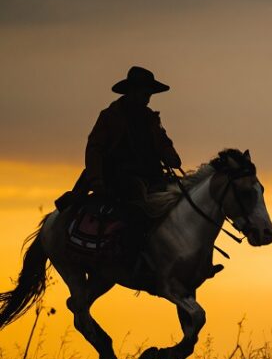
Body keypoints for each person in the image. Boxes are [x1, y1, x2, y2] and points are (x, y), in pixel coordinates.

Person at [58, 66, 183, 258]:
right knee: (137, 206)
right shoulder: (110, 116)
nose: (148, 98)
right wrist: (97, 180)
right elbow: (94, 150)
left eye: (149, 94)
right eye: (145, 93)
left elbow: (163, 143)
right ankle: (131, 254)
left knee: (179, 198)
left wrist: (171, 156)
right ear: (132, 91)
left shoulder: (150, 118)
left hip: (152, 175)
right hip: (119, 176)